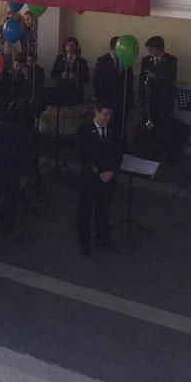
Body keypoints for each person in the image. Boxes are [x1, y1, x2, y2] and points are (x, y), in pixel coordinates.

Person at [76, 104, 122, 256]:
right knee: (85, 211)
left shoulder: (113, 130)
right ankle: (84, 242)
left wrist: (112, 171)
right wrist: (99, 172)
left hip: (108, 178)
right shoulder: (84, 130)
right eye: (105, 114)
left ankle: (102, 237)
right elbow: (83, 155)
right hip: (90, 179)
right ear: (96, 112)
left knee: (103, 209)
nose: (108, 118)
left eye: (110, 115)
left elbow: (119, 153)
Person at [92, 37, 134, 117]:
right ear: (115, 47)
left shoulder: (126, 59)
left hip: (123, 101)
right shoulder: (102, 60)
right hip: (107, 100)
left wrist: (130, 99)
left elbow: (129, 81)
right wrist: (98, 99)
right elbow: (96, 81)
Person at [51, 37, 89, 102]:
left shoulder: (82, 61)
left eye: (72, 45)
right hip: (61, 91)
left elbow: (86, 79)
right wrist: (61, 75)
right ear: (65, 47)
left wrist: (76, 77)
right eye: (68, 45)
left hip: (76, 93)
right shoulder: (59, 58)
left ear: (76, 47)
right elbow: (53, 74)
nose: (70, 47)